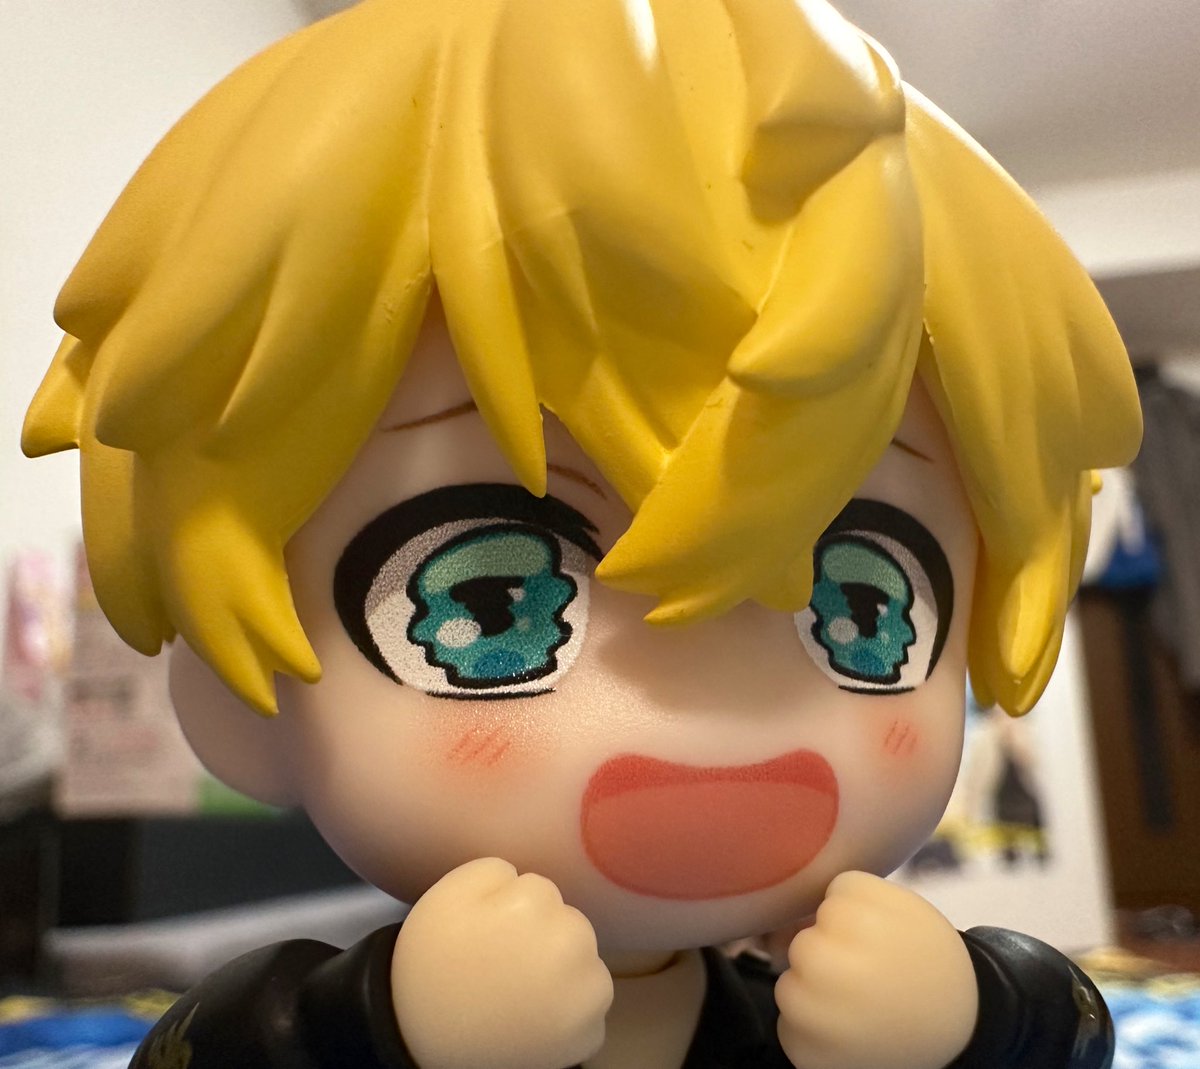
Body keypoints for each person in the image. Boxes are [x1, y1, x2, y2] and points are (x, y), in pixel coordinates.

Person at [23, 0, 1141, 1066]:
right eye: (490, 602)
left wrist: (981, 1014)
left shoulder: (799, 1012)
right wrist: (380, 1024)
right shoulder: (325, 1021)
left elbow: (1077, 1030)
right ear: (241, 702)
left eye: (863, 607)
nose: (709, 715)